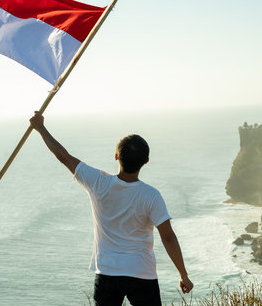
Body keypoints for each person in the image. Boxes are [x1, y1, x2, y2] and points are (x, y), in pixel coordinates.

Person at [29, 112, 193, 306]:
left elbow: (64, 157)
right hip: (141, 272)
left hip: (107, 273)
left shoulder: (98, 182)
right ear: (146, 161)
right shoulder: (151, 195)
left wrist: (40, 127)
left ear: (116, 156)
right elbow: (168, 236)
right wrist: (183, 274)